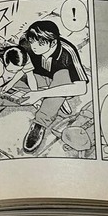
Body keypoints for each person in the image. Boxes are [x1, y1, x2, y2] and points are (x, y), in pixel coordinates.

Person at [17, 20, 89, 153]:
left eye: (41, 43)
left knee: (63, 77)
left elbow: (81, 88)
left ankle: (40, 123)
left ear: (53, 42)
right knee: (6, 87)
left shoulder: (68, 52)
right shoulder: (26, 44)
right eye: (32, 42)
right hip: (38, 78)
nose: (34, 46)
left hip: (59, 80)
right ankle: (57, 99)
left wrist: (39, 94)